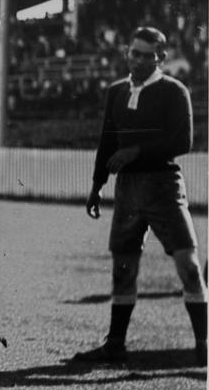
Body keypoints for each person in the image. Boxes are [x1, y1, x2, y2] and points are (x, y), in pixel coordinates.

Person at [74, 26, 207, 366]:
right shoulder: (117, 92)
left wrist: (136, 151)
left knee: (189, 267)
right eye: (134, 53)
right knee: (123, 267)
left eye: (147, 55)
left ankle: (204, 344)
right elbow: (107, 140)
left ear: (161, 58)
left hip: (163, 185)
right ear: (127, 53)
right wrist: (96, 184)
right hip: (128, 190)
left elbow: (183, 142)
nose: (139, 60)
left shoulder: (174, 91)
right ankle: (115, 344)